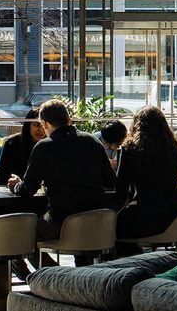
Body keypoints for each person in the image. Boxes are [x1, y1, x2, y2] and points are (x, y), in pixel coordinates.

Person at [8, 100, 117, 248]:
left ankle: (46, 270)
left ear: (45, 124)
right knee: (82, 248)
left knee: (21, 232)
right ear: (69, 120)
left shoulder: (44, 147)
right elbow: (110, 181)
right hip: (96, 221)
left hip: (62, 222)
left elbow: (28, 189)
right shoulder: (92, 141)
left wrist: (16, 185)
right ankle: (66, 269)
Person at [112, 107, 177, 251]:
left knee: (112, 227)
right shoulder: (172, 147)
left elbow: (121, 188)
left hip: (146, 217)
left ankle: (125, 265)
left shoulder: (130, 148)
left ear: (136, 124)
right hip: (173, 216)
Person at [0, 107, 45, 187]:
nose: (40, 130)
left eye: (43, 126)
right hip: (9, 189)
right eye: (36, 125)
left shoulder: (48, 145)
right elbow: (3, 175)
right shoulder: (12, 143)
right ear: (28, 125)